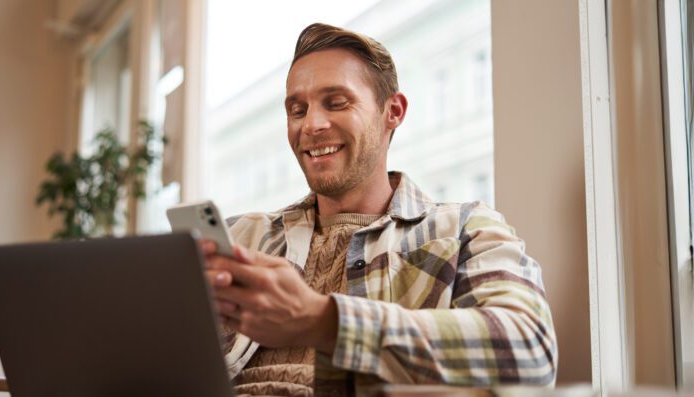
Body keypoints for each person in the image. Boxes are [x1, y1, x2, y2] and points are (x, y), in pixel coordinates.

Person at [200, 22, 557, 397]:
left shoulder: (464, 229)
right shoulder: (240, 237)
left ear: (393, 111)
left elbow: (530, 352)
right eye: (297, 109)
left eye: (336, 103)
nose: (311, 125)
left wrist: (325, 322)